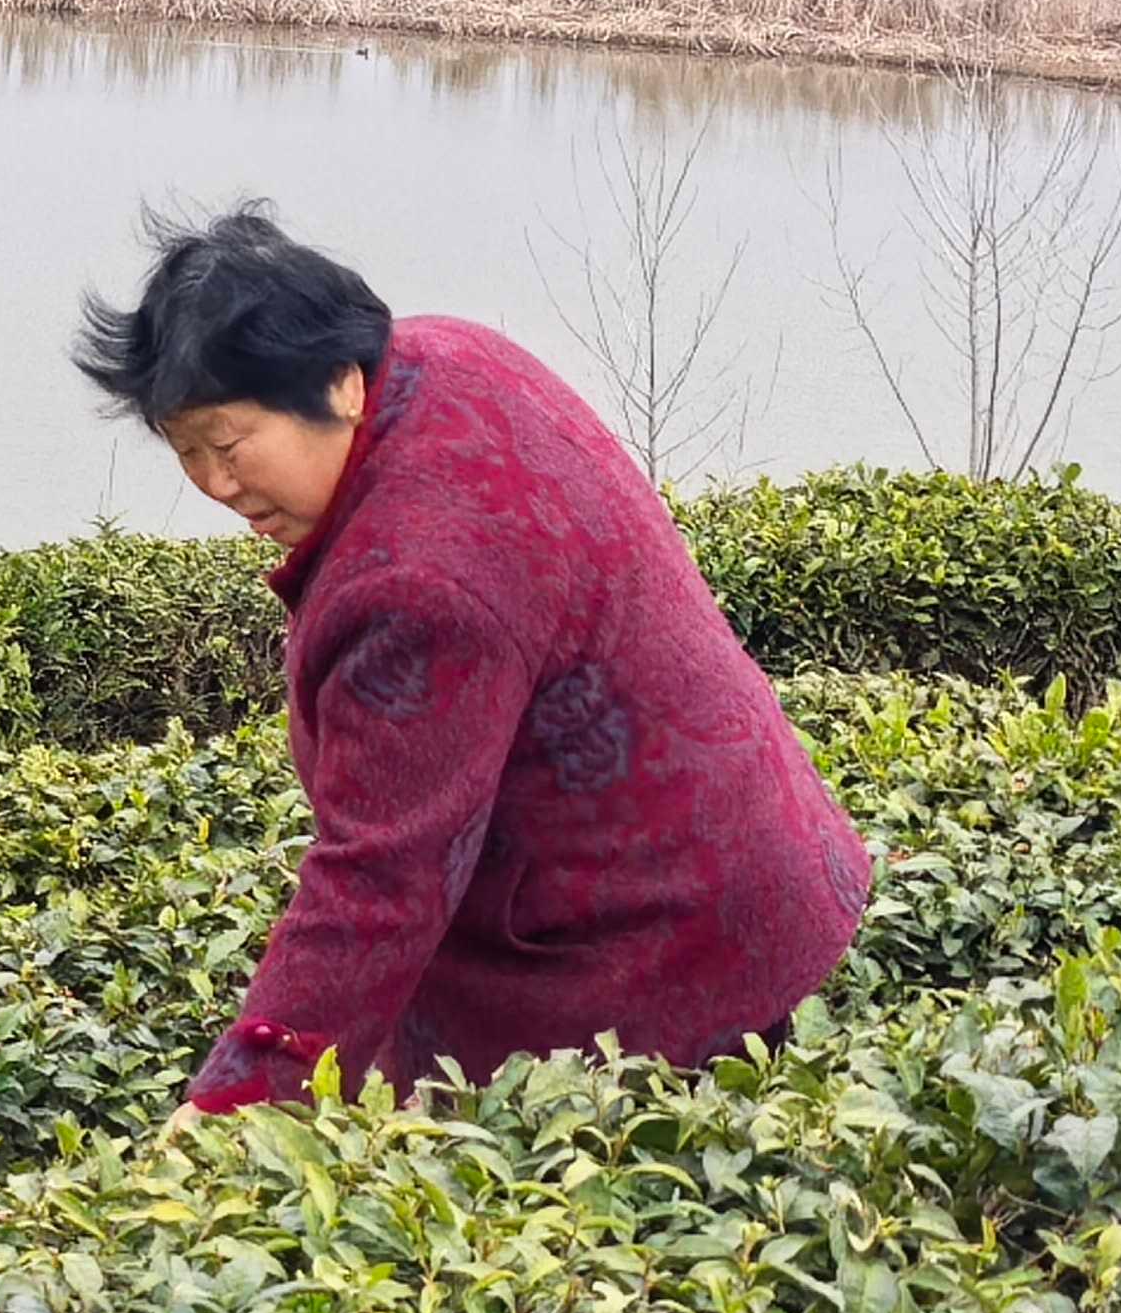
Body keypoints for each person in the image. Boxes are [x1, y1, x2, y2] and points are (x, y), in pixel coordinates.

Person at [74, 206, 868, 1112]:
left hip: (654, 953)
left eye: (227, 444)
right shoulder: (444, 354)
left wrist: (231, 1115)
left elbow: (379, 884)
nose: (216, 485)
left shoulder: (417, 584)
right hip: (759, 864)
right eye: (185, 454)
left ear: (337, 385)